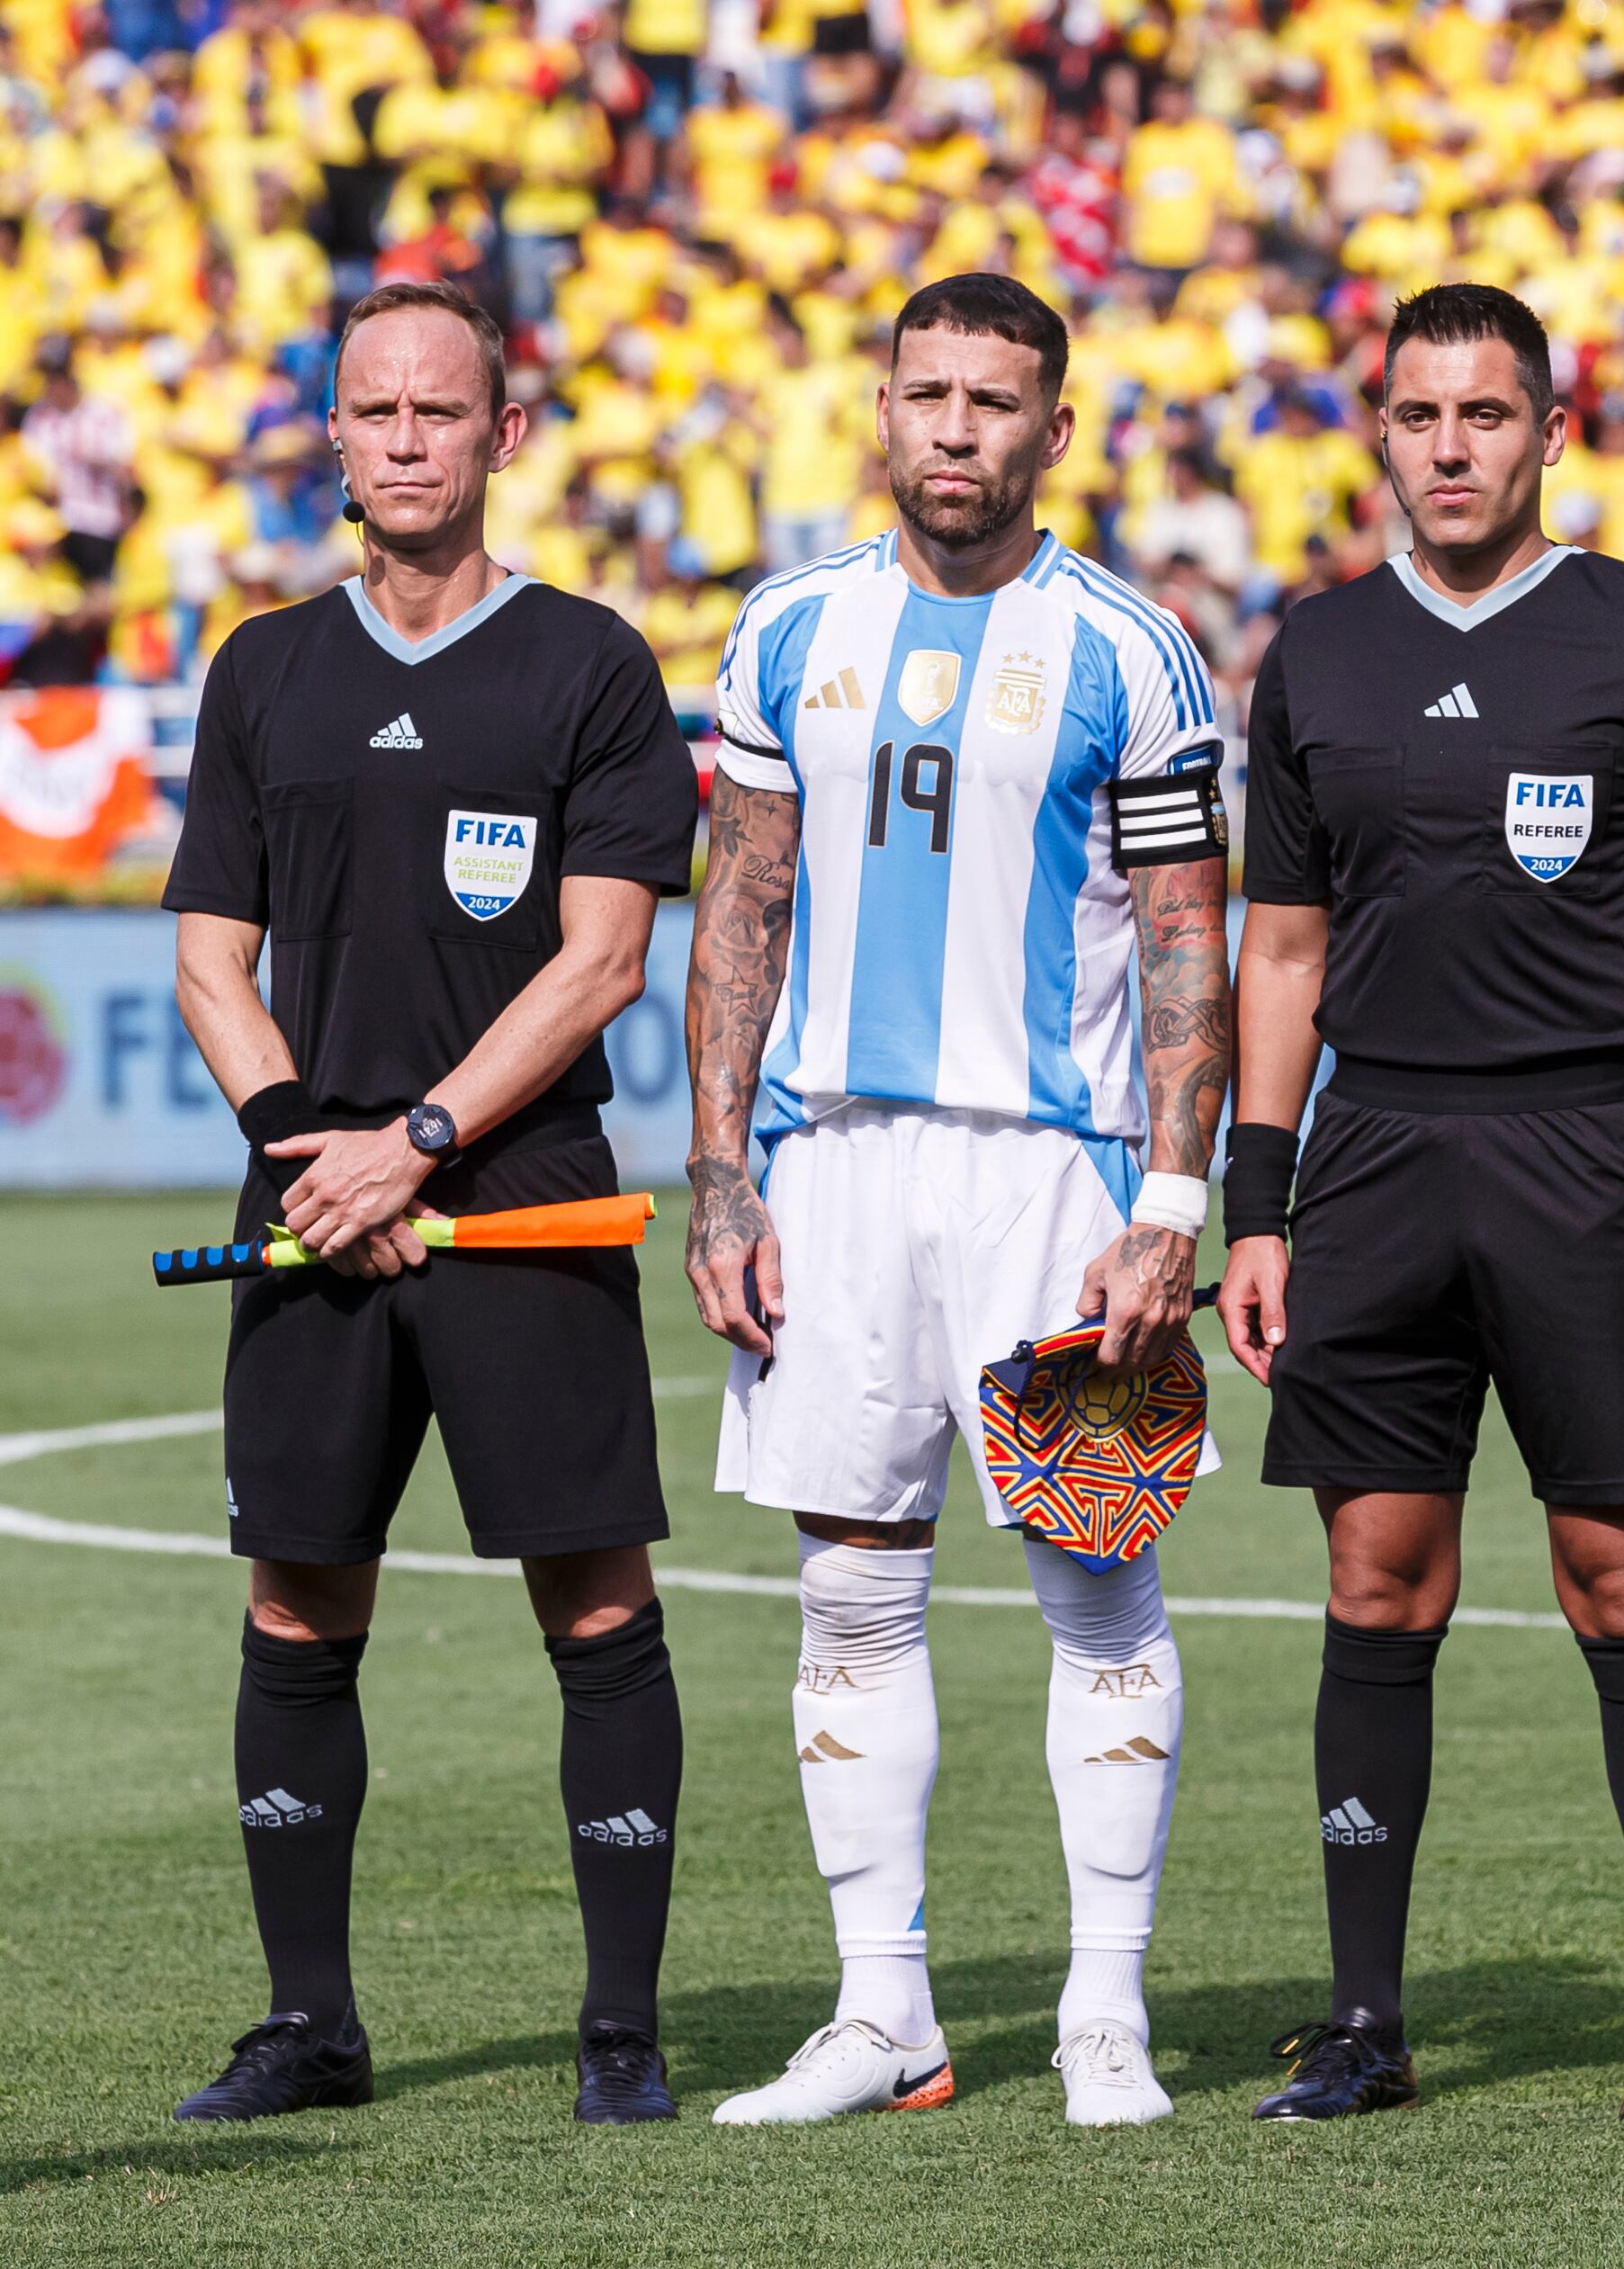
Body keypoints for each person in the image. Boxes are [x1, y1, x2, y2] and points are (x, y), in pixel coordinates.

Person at [1216, 284, 1624, 2124]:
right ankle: (1363, 2021)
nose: (1451, 447)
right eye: (1420, 415)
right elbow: (1281, 948)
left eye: (1487, 415)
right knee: (1377, 1570)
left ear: (1548, 432)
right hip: (1372, 1159)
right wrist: (1259, 1199)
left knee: (1622, 1575)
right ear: (1377, 433)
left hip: (1586, 1154)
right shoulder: (1316, 652)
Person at [682, 274, 1234, 2130]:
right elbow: (739, 906)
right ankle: (885, 2015)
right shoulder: (784, 628)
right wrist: (716, 1175)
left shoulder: (1127, 648)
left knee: (1096, 1578)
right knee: (848, 1590)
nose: (953, 429)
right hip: (830, 1170)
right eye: (926, 392)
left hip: (1050, 1179)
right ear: (884, 404)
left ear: (1051, 432)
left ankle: (1101, 2008)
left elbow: (1183, 938)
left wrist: (1171, 1195)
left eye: (994, 401)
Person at [161, 281, 696, 2126]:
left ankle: (619, 2028)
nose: (404, 440)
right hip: (314, 1186)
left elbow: (604, 961)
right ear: (336, 434)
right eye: (373, 411)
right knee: (300, 1602)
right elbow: (210, 957)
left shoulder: (592, 662)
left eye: (438, 412)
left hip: (516, 1183)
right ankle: (311, 2024)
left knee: (594, 1597)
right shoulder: (260, 667)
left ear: (503, 435)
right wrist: (324, 1143)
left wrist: (419, 1138)